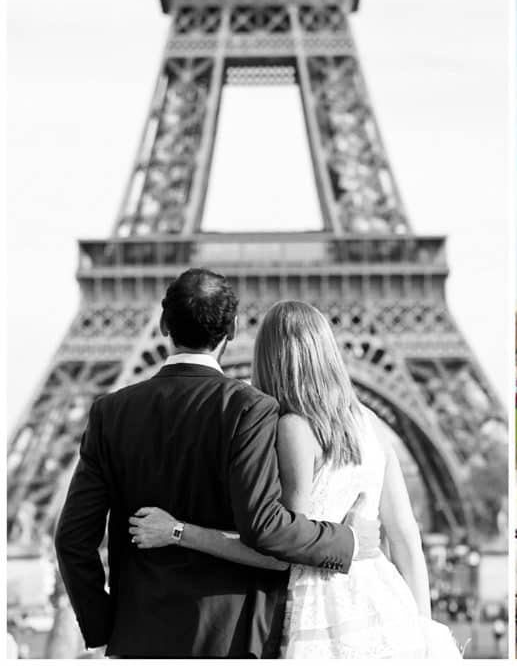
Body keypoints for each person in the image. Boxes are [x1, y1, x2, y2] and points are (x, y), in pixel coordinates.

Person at [54, 269, 379, 657]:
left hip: (137, 635)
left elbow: (72, 540)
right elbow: (265, 528)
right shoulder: (252, 409)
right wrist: (348, 541)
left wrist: (103, 626)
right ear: (234, 329)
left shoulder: (110, 412)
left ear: (162, 324)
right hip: (232, 636)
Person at [129, 300, 460, 659]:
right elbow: (406, 536)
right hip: (387, 610)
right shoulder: (370, 424)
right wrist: (423, 629)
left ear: (269, 358)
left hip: (319, 614)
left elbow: (282, 551)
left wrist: (179, 531)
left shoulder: (294, 429)